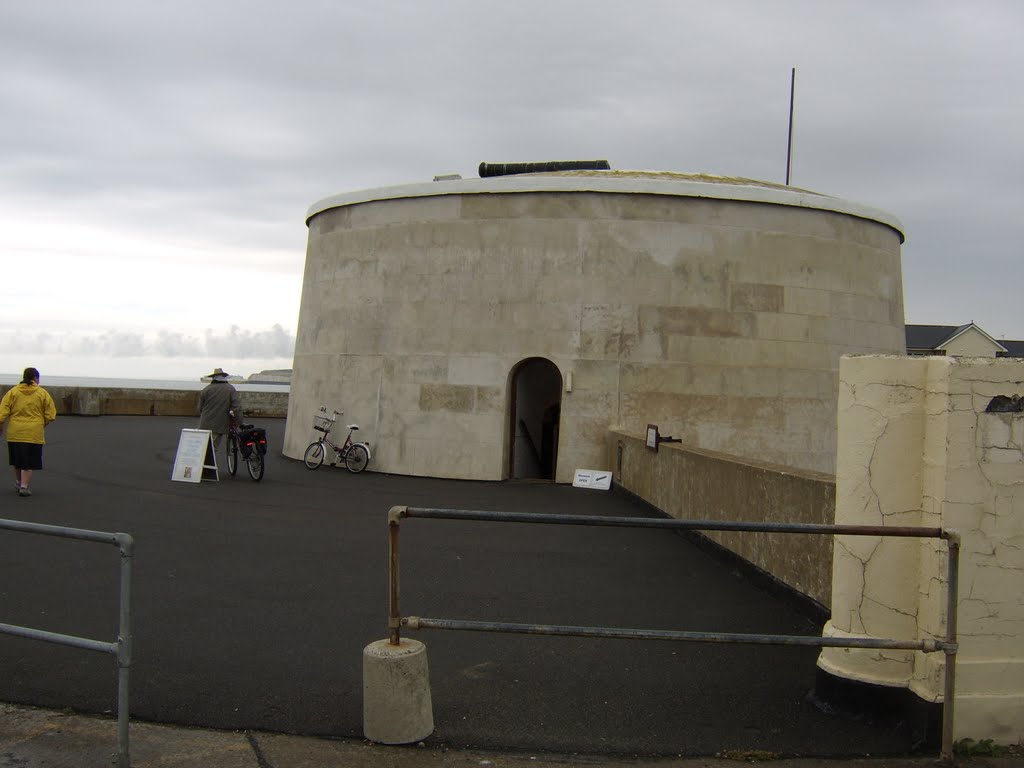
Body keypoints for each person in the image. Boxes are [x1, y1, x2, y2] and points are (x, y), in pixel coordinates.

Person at [0, 367, 57, 497]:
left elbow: (2, 412)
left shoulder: (13, 392)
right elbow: (51, 414)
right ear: (36, 378)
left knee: (17, 460)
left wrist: (1, 426)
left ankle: (19, 482)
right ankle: (24, 487)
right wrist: (42, 423)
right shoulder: (42, 393)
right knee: (29, 462)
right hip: (33, 432)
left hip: (15, 432)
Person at [199, 367, 241, 449]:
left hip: (204, 424)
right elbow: (236, 407)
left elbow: (200, 408)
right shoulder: (230, 389)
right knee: (212, 448)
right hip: (219, 424)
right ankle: (208, 462)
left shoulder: (206, 389)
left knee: (204, 448)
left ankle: (203, 461)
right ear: (224, 377)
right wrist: (239, 422)